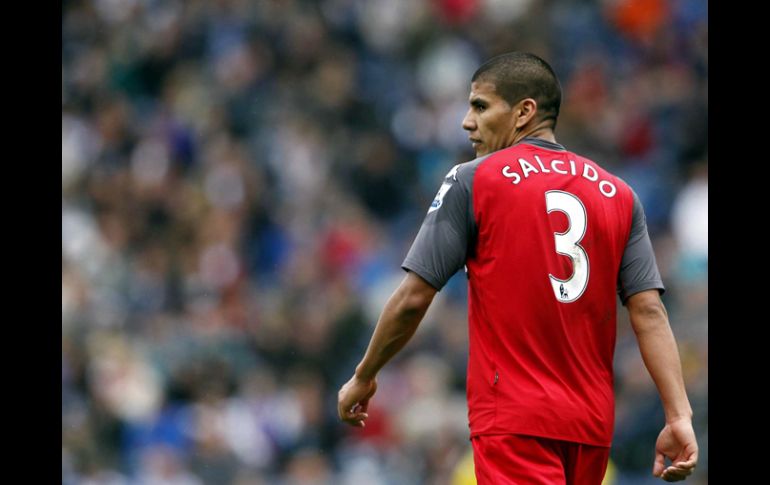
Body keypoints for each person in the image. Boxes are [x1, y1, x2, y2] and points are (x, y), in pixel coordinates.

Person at [337, 52, 698, 484]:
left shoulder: (475, 180)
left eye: (480, 106)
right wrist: (679, 415)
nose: (467, 122)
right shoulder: (618, 194)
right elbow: (649, 313)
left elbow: (414, 297)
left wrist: (364, 375)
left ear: (524, 111)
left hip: (514, 418)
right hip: (591, 427)